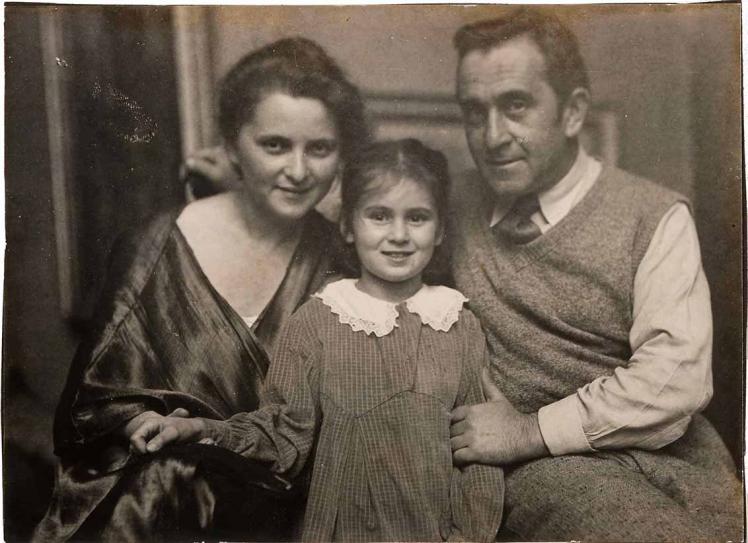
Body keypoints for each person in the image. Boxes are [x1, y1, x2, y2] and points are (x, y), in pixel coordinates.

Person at [33, 37, 368, 542]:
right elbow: (90, 404)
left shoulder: (346, 260)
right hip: (169, 507)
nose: (298, 171)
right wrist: (137, 423)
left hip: (298, 508)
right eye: (274, 145)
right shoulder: (156, 244)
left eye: (319, 149)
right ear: (233, 144)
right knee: (160, 482)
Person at [446, 9, 743, 541]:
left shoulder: (652, 215)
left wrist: (528, 431)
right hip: (549, 478)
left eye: (515, 105)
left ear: (573, 112)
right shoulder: (447, 204)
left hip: (672, 463)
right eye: (474, 112)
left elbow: (675, 379)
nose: (492, 136)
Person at [126, 139, 504, 542]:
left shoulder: (458, 324)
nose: (399, 235)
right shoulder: (317, 321)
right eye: (378, 216)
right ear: (347, 226)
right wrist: (201, 428)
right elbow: (283, 435)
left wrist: (471, 536)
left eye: (417, 218)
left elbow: (478, 452)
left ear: (441, 228)